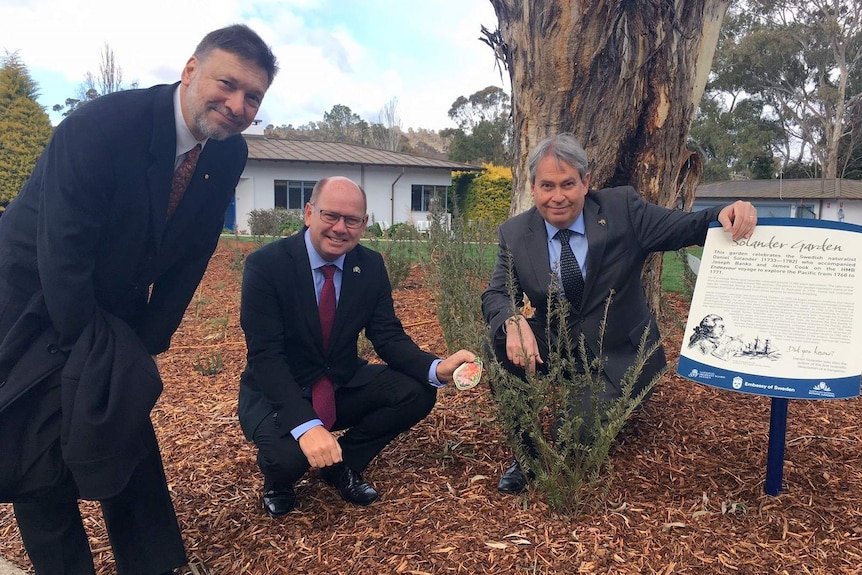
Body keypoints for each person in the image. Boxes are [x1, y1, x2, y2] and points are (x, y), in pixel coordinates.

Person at [0, 25, 278, 575]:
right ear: (191, 70)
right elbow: (64, 255)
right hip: (29, 299)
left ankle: (151, 564)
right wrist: (92, 356)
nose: (238, 104)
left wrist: (147, 340)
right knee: (40, 450)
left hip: (114, 304)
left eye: (254, 97)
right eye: (228, 83)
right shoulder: (101, 128)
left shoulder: (227, 153)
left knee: (121, 422)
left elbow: (194, 251)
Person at [481, 133, 757, 494]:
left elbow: (683, 226)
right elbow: (496, 293)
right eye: (547, 185)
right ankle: (526, 453)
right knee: (496, 343)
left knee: (570, 434)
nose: (557, 196)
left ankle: (569, 433)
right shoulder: (516, 233)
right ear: (533, 188)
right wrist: (512, 320)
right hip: (560, 348)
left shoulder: (622, 210)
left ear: (586, 183)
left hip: (622, 352)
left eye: (568, 184)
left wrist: (725, 214)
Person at [238, 176, 476, 518]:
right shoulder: (267, 266)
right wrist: (307, 427)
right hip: (278, 391)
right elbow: (266, 357)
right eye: (330, 216)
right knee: (286, 459)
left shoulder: (370, 265)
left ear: (364, 224)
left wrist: (436, 368)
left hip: (338, 383)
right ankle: (279, 482)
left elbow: (387, 336)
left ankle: (340, 464)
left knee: (416, 392)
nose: (340, 228)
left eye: (351, 220)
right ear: (309, 213)